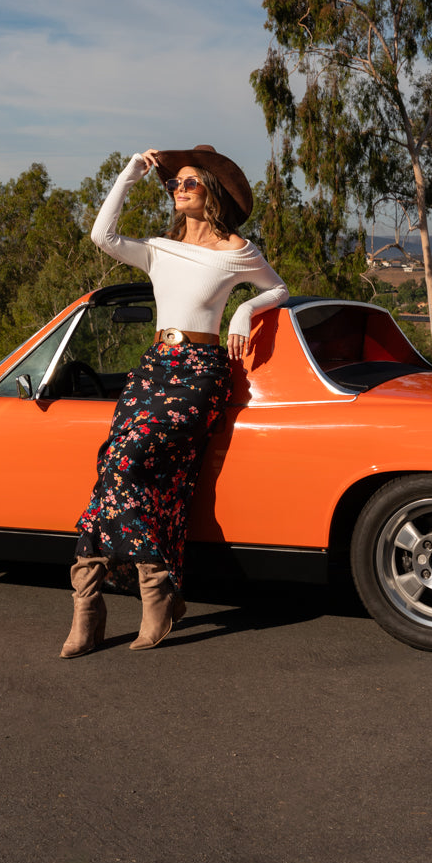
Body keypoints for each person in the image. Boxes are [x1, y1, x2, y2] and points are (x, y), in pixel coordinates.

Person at [60, 144, 288, 658]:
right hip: (155, 367)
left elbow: (279, 289)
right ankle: (95, 608)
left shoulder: (237, 250)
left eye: (188, 182)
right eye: (174, 184)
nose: (178, 189)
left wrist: (243, 309)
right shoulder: (161, 247)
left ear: (212, 191)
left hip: (201, 374)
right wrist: (130, 173)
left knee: (127, 457)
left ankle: (146, 590)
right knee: (116, 469)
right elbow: (103, 236)